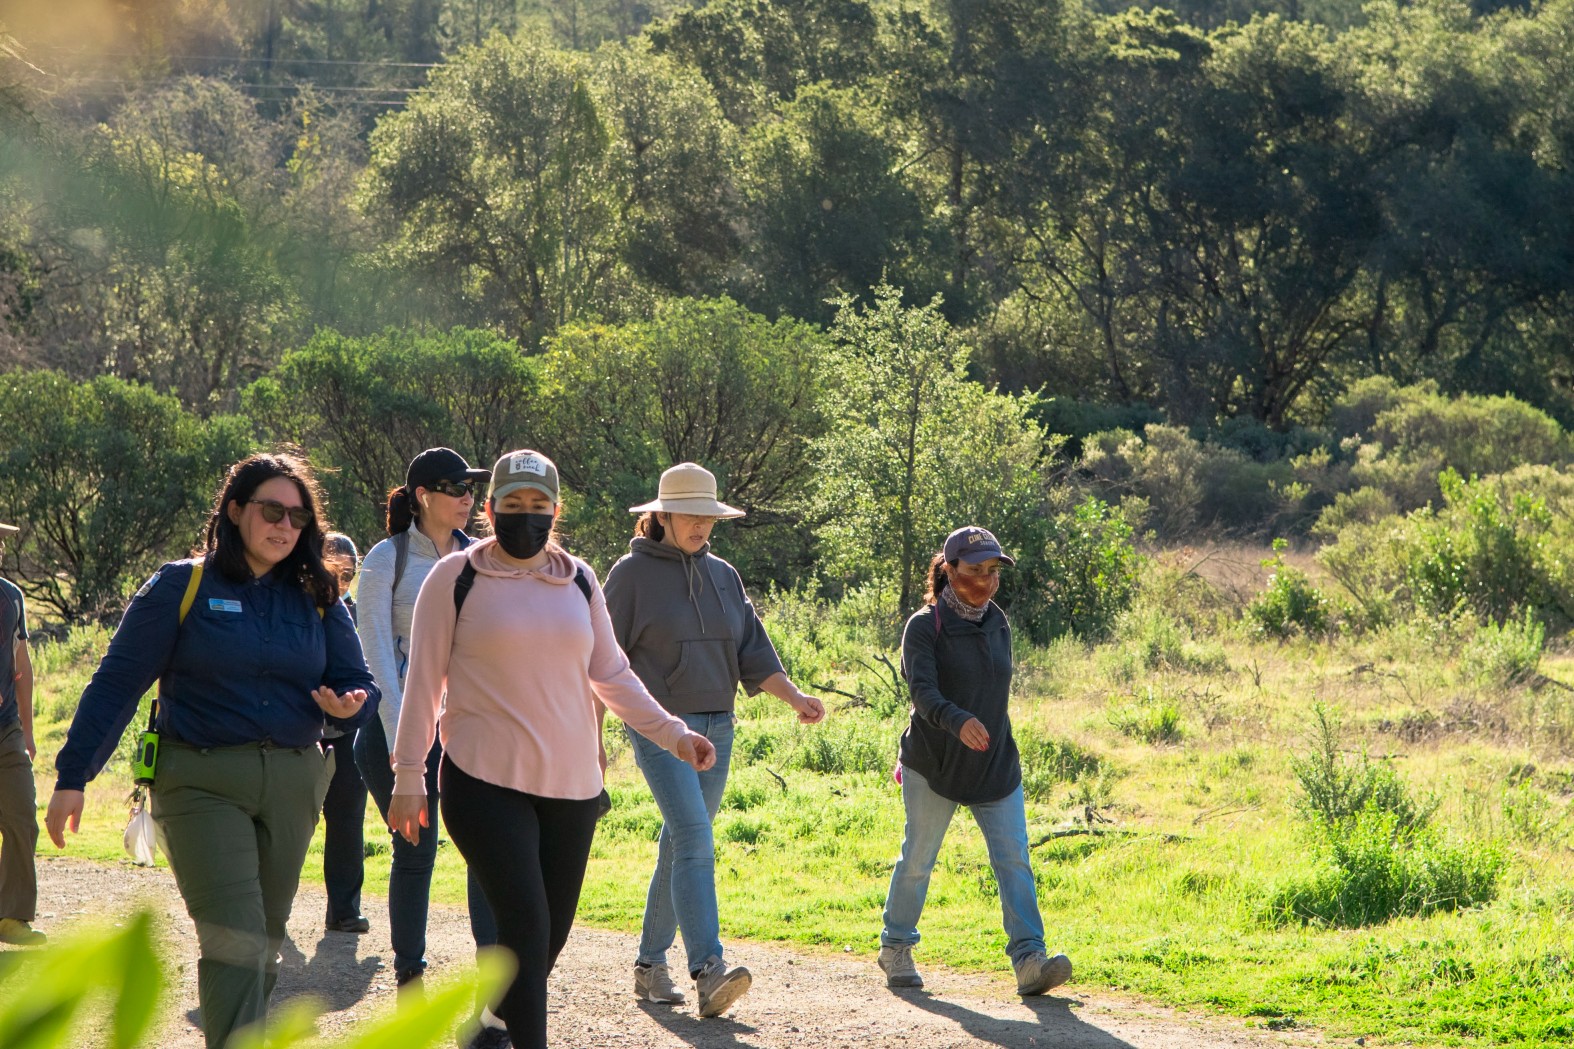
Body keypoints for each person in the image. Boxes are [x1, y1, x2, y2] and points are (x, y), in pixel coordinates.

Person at [387, 449, 717, 1049]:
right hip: (483, 781)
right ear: (489, 510)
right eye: (512, 505)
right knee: (526, 926)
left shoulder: (580, 578)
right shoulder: (455, 578)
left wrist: (673, 732)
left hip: (571, 789)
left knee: (546, 941)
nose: (526, 517)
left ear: (555, 511)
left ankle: (489, 1027)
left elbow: (611, 673)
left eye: (538, 506)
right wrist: (410, 773)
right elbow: (423, 682)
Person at [46, 453, 378, 1048]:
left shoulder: (318, 594)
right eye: (271, 510)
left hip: (296, 780)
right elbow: (117, 683)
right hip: (199, 783)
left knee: (266, 942)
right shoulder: (183, 584)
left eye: (298, 517)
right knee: (236, 936)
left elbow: (360, 681)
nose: (284, 526)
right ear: (234, 510)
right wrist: (75, 773)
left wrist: (350, 704)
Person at [603, 462, 825, 1015]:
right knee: (696, 839)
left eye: (709, 516)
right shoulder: (628, 577)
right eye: (690, 515)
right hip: (659, 727)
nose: (701, 526)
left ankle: (650, 965)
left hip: (718, 727)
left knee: (682, 842)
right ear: (661, 515)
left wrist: (796, 697)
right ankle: (708, 970)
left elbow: (752, 652)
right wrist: (593, 739)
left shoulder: (725, 575)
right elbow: (601, 662)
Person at [878, 526, 1072, 997]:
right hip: (934, 762)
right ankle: (896, 947)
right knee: (919, 860)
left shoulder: (996, 620)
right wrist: (956, 719)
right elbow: (922, 691)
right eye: (973, 571)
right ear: (948, 571)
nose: (984, 581)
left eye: (992, 572)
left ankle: (1030, 961)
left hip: (994, 764)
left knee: (1014, 861)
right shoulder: (924, 626)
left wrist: (981, 726)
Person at [353, 447, 499, 997]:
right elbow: (377, 662)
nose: (467, 498)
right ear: (422, 496)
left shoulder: (480, 557)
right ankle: (409, 974)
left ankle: (494, 982)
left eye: (471, 489)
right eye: (455, 488)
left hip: (464, 730)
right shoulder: (385, 560)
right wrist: (405, 752)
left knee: (485, 851)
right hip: (395, 731)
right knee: (416, 853)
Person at [319, 532, 370, 934]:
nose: (342, 577)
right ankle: (269, 909)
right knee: (289, 823)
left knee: (347, 819)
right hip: (301, 731)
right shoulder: (303, 607)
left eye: (349, 571)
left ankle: (344, 909)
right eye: (334, 568)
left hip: (347, 732)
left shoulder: (361, 612)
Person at [0, 520, 43, 947]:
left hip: (6, 729)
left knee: (21, 818)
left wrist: (27, 731)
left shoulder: (11, 597)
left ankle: (12, 917)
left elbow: (22, 667)